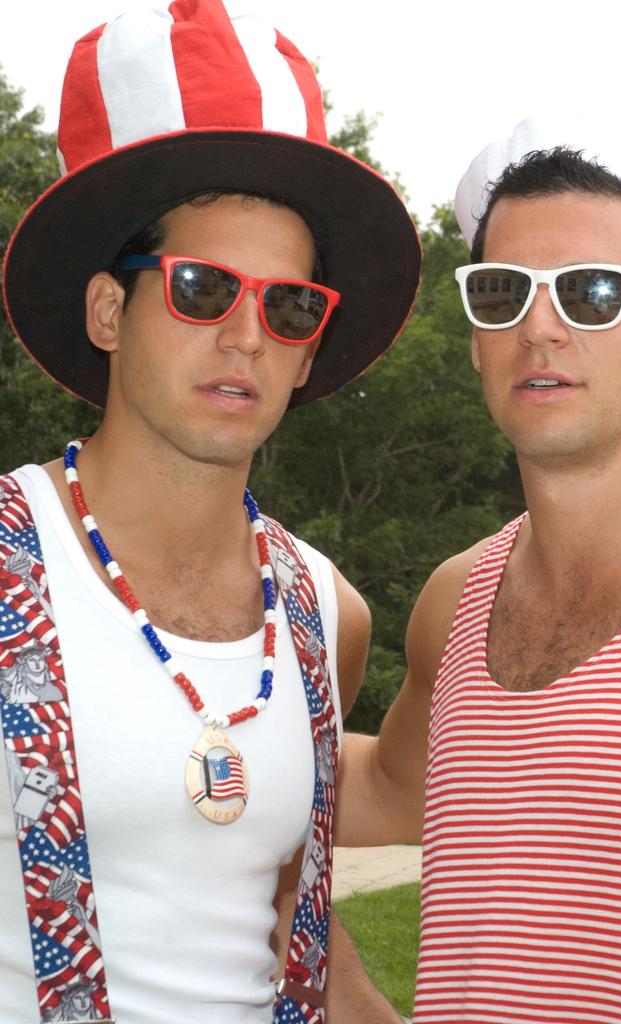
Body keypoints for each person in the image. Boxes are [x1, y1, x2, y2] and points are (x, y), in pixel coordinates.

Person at [0, 2, 420, 1022]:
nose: (245, 338)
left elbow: (284, 923)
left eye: (286, 306)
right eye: (200, 287)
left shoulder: (328, 613)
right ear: (110, 309)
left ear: (310, 347)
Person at [335, 116, 621, 1022]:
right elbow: (384, 789)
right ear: (475, 341)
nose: (540, 329)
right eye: (501, 294)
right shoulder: (454, 600)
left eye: (592, 292)